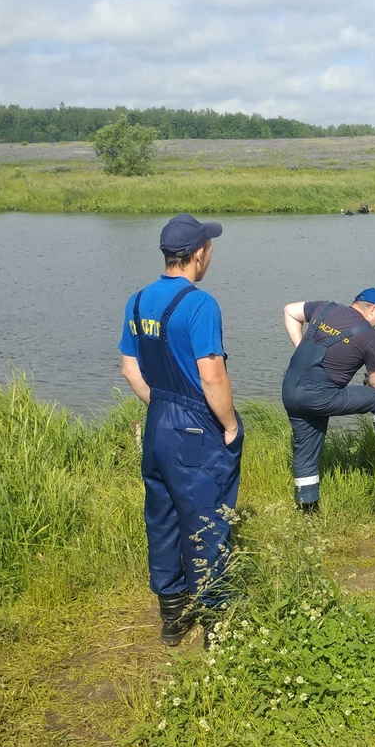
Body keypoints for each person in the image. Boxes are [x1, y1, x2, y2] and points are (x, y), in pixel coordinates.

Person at [119, 213, 242, 647]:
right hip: (195, 428)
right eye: (210, 248)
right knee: (206, 519)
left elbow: (129, 366)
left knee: (164, 516)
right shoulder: (200, 304)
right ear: (199, 254)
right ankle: (216, 624)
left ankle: (172, 616)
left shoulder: (137, 301)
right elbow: (212, 375)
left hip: (157, 426)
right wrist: (229, 425)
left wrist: (159, 404)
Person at [282, 288, 375, 512]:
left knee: (306, 448)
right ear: (373, 310)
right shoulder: (371, 337)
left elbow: (290, 311)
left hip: (291, 391)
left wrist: (301, 347)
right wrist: (369, 380)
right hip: (320, 395)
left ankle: (308, 509)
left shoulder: (325, 308)